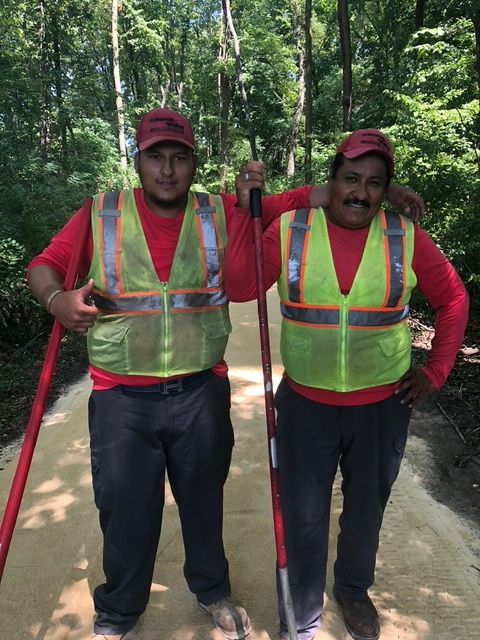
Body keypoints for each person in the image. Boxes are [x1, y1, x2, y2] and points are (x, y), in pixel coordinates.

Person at [27, 108, 424, 640]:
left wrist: (388, 194)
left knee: (203, 500)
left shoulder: (219, 211)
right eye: (155, 158)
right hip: (121, 396)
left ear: (193, 164)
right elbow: (43, 265)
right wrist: (57, 299)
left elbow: (321, 194)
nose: (167, 170)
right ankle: (120, 610)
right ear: (137, 161)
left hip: (200, 391)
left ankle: (212, 590)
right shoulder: (102, 214)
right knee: (125, 509)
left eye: (179, 158)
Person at [224, 129, 469, 640]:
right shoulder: (291, 229)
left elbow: (453, 299)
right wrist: (255, 205)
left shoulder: (404, 235)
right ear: (330, 181)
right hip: (305, 406)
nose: (360, 192)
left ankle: (353, 592)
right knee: (302, 517)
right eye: (351, 178)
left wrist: (435, 371)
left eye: (374, 183)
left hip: (381, 406)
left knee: (365, 512)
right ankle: (300, 613)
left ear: (386, 191)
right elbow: (241, 285)